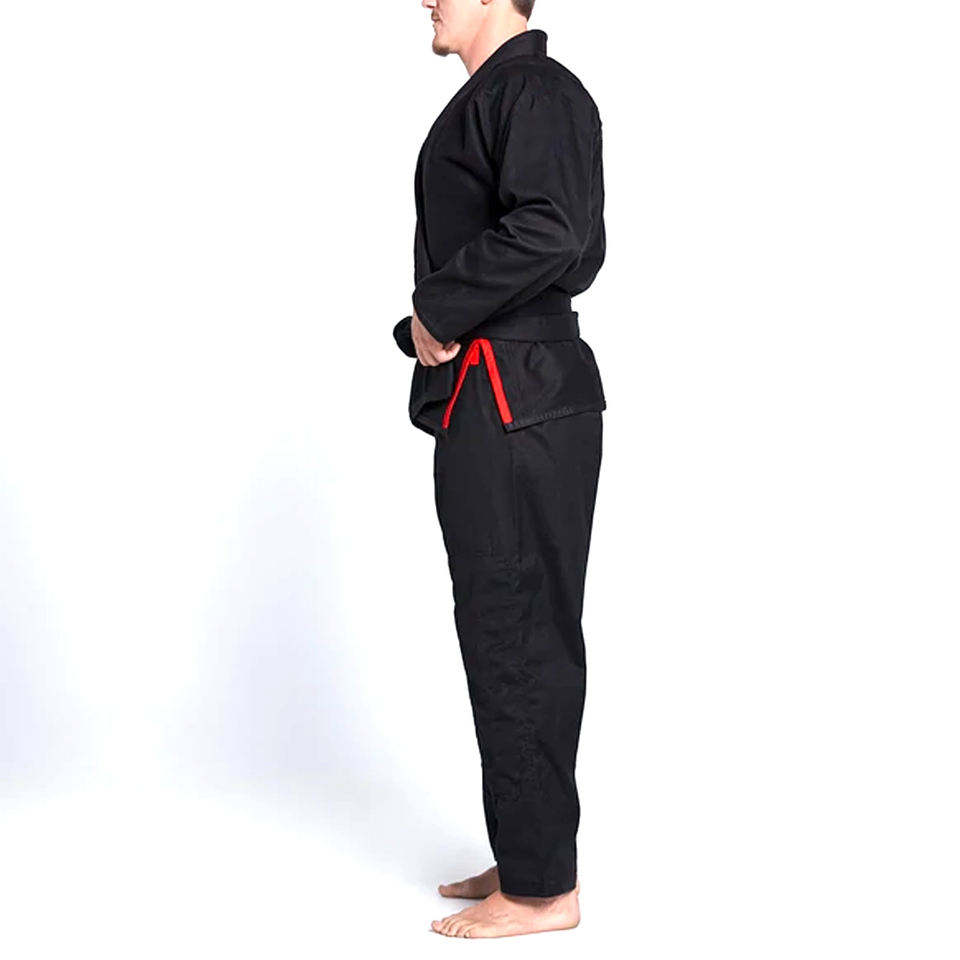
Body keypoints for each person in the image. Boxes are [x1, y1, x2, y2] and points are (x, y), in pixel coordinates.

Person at [393, 0, 607, 939]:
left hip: (515, 392)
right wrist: (429, 320)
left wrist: (437, 310)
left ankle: (542, 891)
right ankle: (529, 850)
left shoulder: (536, 91)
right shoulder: (509, 94)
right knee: (505, 627)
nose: (424, 1)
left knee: (518, 631)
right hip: (502, 388)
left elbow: (557, 230)